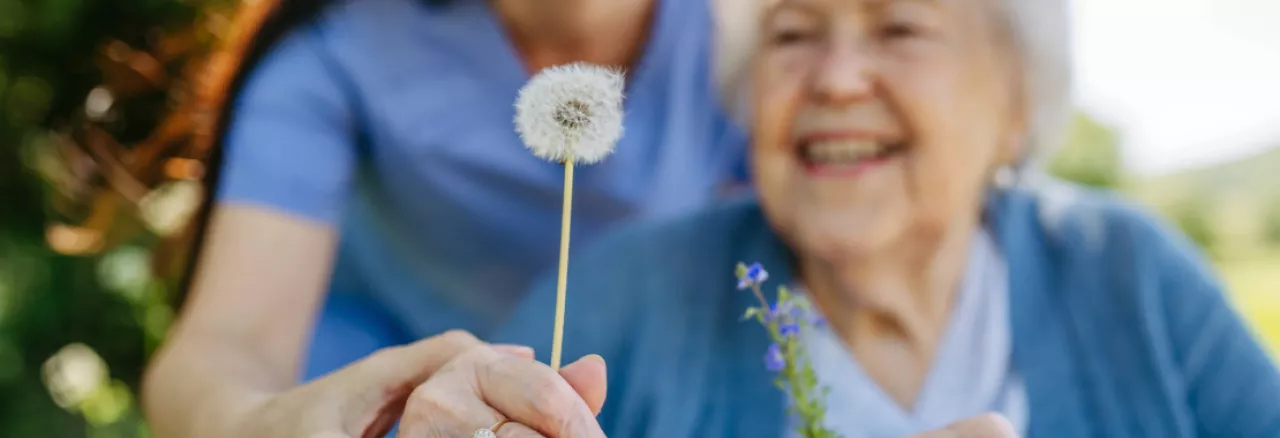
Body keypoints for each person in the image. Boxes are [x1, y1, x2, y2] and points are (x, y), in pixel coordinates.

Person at [488, 0, 1280, 435]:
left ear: (1014, 102)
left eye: (900, 27)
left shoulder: (1129, 271)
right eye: (792, 34)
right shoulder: (620, 295)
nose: (835, 80)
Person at [140, 0, 748, 436]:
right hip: (363, 393)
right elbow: (223, 347)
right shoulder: (337, 45)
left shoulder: (766, 38)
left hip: (619, 400)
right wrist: (275, 424)